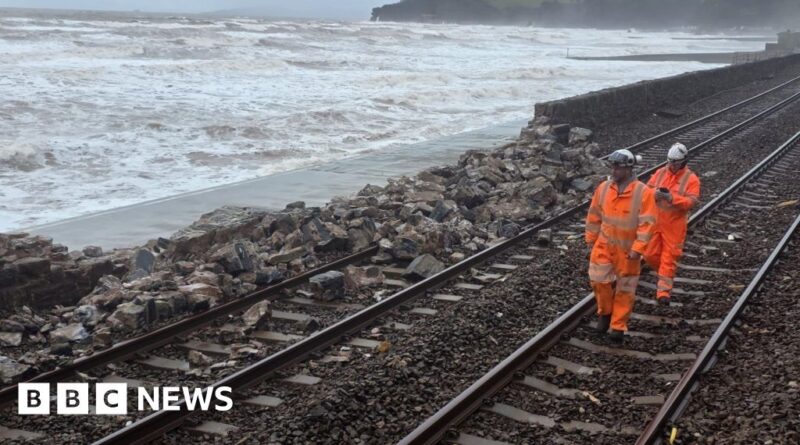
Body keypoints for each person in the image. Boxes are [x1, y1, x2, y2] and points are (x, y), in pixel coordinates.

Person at [585, 149, 656, 343]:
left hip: (628, 250)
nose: (614, 171)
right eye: (613, 167)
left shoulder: (643, 192)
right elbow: (594, 214)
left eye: (618, 167)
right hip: (604, 245)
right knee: (599, 281)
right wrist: (591, 238)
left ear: (629, 169)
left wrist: (638, 249)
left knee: (625, 289)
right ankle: (605, 313)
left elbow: (647, 223)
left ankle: (617, 326)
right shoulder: (604, 188)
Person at [643, 143, 701, 305]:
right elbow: (646, 190)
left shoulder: (691, 179)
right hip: (655, 221)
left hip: (674, 225)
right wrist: (653, 194)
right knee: (649, 254)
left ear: (683, 161)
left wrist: (672, 198)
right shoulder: (660, 173)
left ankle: (663, 292)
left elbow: (691, 202)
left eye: (675, 162)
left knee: (669, 257)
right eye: (669, 161)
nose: (671, 165)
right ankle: (664, 274)